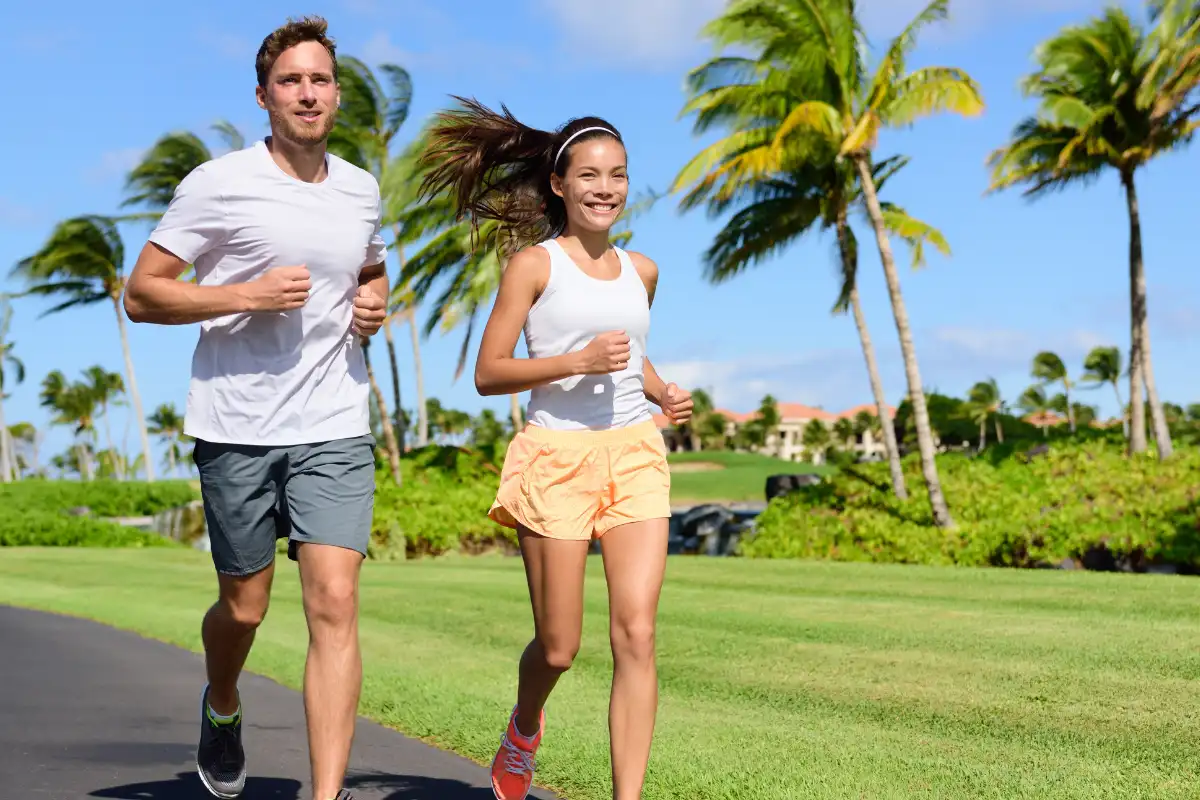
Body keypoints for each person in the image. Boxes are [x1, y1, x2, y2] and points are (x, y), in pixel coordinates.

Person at [122, 16, 387, 800]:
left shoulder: (360, 188)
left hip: (335, 419)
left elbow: (369, 268)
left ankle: (326, 794)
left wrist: (372, 301)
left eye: (321, 80)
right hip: (236, 424)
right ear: (264, 97)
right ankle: (224, 701)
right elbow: (142, 293)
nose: (308, 94)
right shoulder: (218, 183)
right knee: (244, 608)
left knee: (335, 601)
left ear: (338, 95)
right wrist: (245, 293)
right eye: (291, 82)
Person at [418, 97, 694, 800]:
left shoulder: (645, 271)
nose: (607, 188)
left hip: (633, 453)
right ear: (559, 185)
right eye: (592, 176)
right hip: (554, 458)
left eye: (619, 175)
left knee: (637, 635)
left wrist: (661, 392)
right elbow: (489, 372)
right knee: (560, 646)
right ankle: (525, 725)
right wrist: (574, 361)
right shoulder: (533, 267)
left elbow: (630, 354)